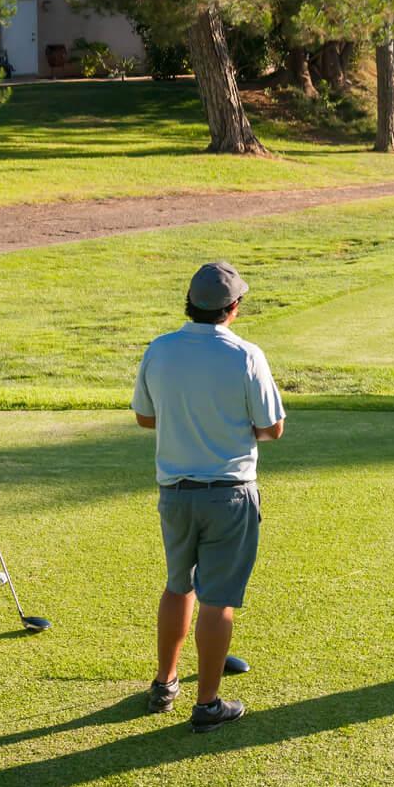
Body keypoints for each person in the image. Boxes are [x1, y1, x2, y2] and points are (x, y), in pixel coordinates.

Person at [132, 261, 286, 732]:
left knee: (179, 584)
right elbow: (272, 428)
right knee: (218, 598)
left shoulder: (159, 350)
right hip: (230, 494)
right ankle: (208, 704)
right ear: (232, 307)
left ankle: (165, 683)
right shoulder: (245, 355)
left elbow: (145, 417)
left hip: (174, 493)